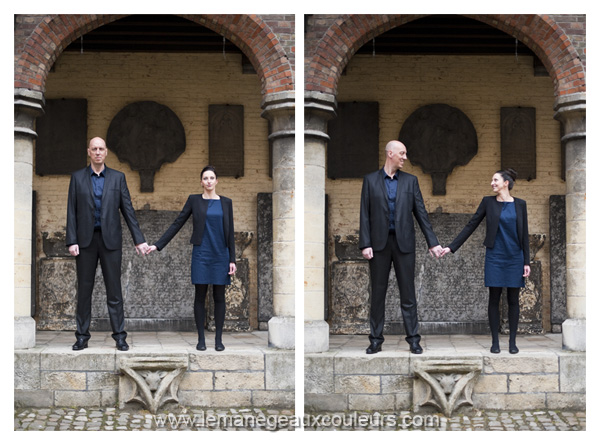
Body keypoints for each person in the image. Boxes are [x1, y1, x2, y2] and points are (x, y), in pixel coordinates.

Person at [359, 140, 443, 355]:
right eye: (402, 153)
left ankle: (414, 339)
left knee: (408, 294)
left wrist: (432, 242)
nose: (405, 157)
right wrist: (365, 243)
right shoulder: (370, 181)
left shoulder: (410, 182)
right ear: (390, 154)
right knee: (378, 294)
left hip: (404, 244)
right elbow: (365, 215)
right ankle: (375, 340)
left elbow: (421, 213)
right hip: (378, 246)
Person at [66, 137, 149, 351]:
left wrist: (138, 239)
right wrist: (71, 240)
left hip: (110, 241)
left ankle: (120, 336)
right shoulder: (77, 178)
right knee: (84, 291)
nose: (97, 152)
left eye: (101, 149)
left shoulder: (117, 178)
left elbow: (128, 210)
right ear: (88, 152)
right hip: (85, 242)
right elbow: (71, 212)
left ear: (106, 152)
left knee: (114, 291)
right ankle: (82, 337)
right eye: (94, 149)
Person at [146, 165, 236, 351]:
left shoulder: (226, 203)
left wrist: (232, 259)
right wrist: (157, 244)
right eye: (205, 178)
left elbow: (230, 233)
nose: (209, 181)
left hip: (221, 253)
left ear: (217, 181)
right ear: (201, 182)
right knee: (200, 295)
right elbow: (178, 223)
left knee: (219, 296)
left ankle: (218, 340)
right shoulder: (194, 201)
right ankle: (201, 339)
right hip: (201, 253)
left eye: (212, 178)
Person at [440, 169, 530, 354]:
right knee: (494, 298)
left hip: (515, 256)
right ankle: (495, 341)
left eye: (495, 180)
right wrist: (451, 247)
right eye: (492, 180)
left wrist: (526, 261)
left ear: (506, 183)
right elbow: (471, 224)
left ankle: (512, 342)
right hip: (495, 256)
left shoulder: (520, 205)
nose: (492, 183)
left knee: (513, 299)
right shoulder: (488, 202)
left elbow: (525, 235)